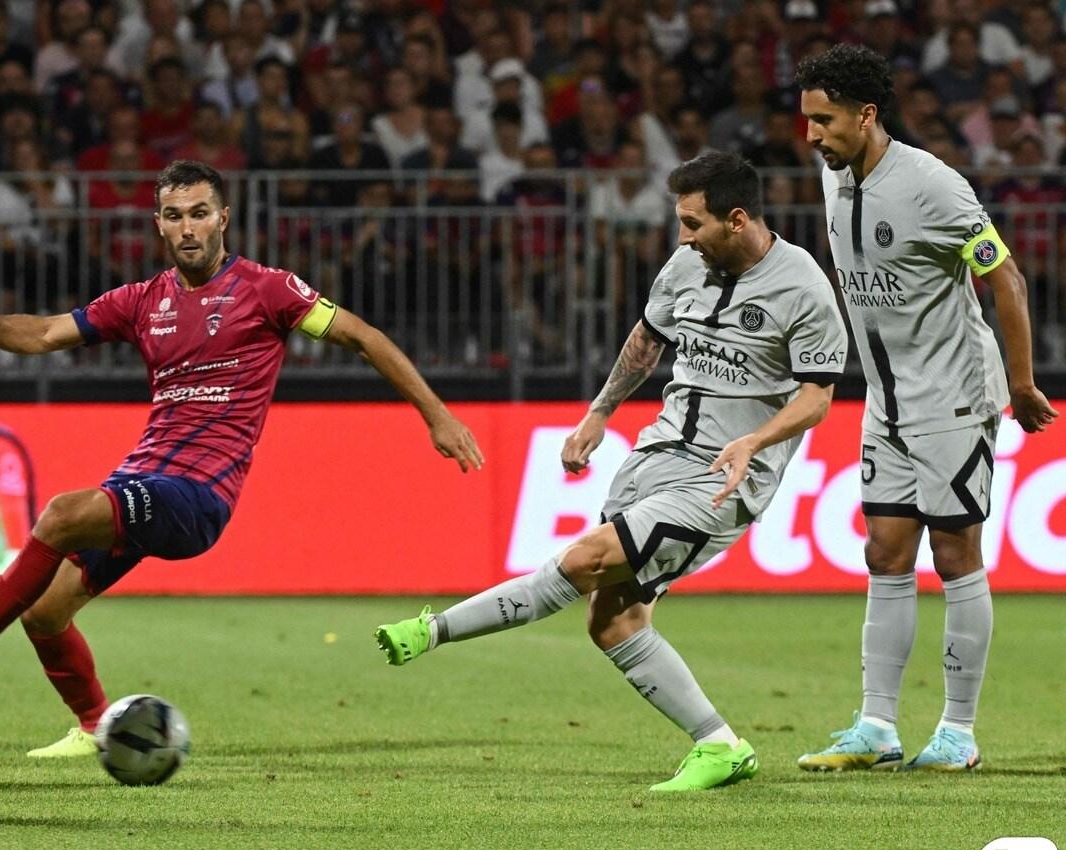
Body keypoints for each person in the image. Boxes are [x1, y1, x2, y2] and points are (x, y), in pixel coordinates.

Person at [0, 160, 483, 757]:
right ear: (159, 225)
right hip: (144, 479)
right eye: (175, 216)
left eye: (199, 213)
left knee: (62, 513)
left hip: (198, 497)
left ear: (223, 218)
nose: (188, 227)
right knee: (45, 612)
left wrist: (437, 414)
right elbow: (43, 334)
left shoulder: (268, 289)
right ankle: (95, 726)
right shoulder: (142, 300)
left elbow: (362, 336)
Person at [375, 151, 848, 792]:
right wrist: (598, 414)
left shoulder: (803, 287)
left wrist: (756, 440)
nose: (683, 236)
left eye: (693, 223)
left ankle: (434, 630)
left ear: (737, 220)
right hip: (656, 454)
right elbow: (647, 338)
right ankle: (720, 744)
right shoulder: (688, 265)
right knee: (613, 621)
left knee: (586, 559)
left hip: (724, 479)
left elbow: (818, 396)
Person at [795, 45, 1056, 773]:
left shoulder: (934, 185)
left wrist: (1022, 380)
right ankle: (877, 727)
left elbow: (1005, 276)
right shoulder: (833, 173)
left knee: (954, 552)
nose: (812, 136)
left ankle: (959, 732)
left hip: (953, 396)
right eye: (808, 121)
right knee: (884, 551)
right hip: (887, 400)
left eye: (825, 120)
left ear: (867, 115)